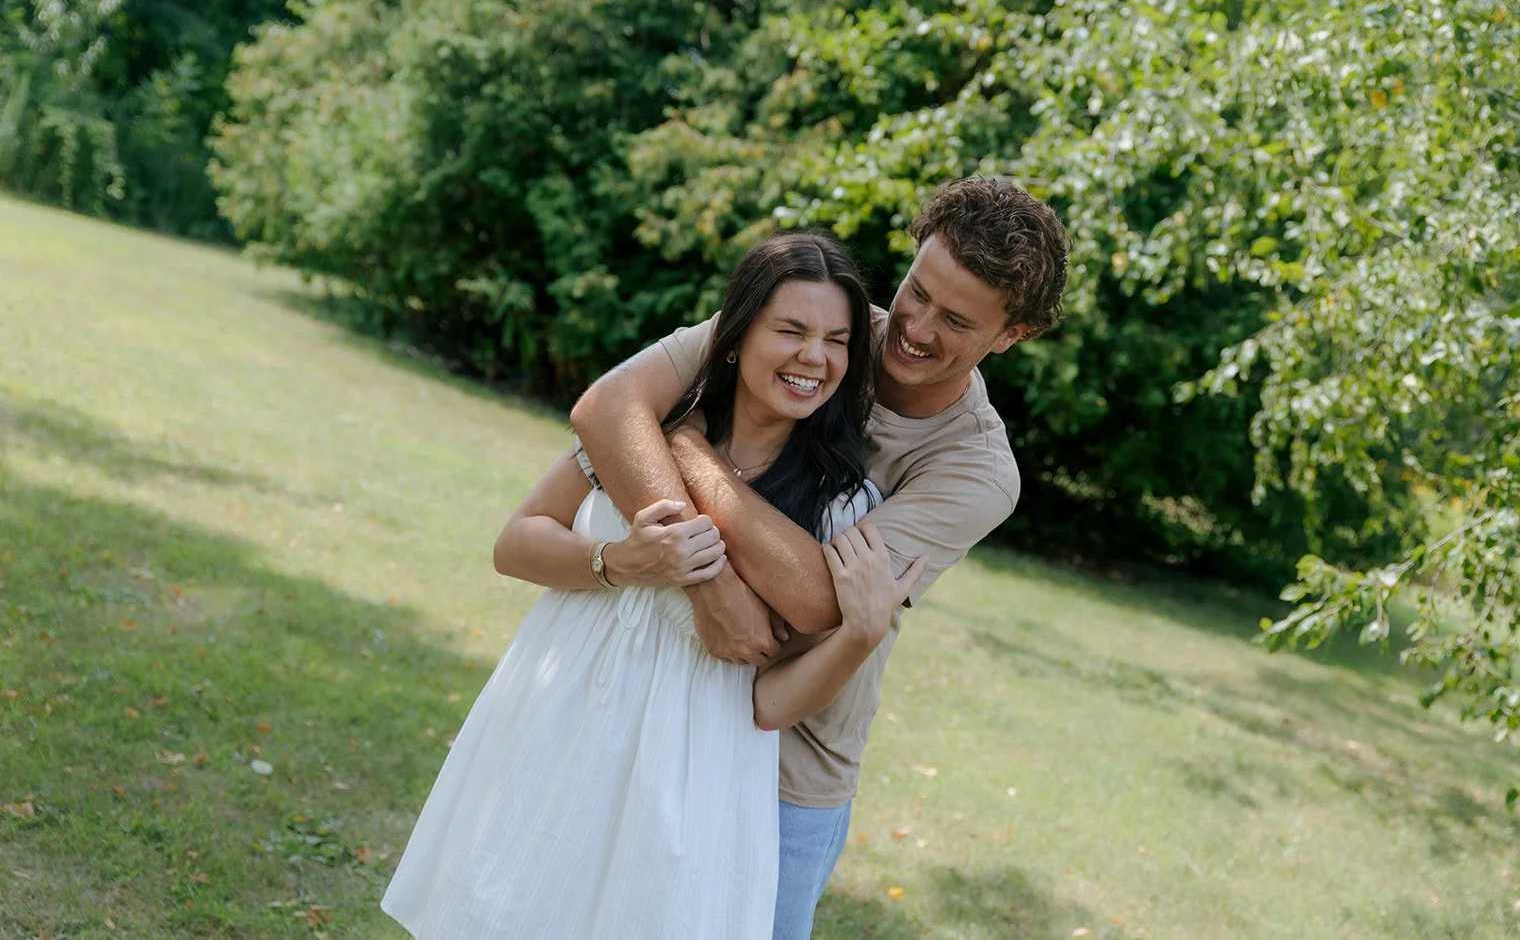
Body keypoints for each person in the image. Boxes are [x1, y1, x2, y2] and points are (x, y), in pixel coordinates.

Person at [381, 234, 923, 939]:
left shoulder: (839, 507)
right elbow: (515, 542)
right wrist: (619, 560)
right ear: (735, 336)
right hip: (561, 719)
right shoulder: (645, 430)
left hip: (692, 773)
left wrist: (858, 636)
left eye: (837, 339)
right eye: (790, 330)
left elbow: (768, 700)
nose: (813, 357)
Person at [571, 176, 1070, 938]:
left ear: (1012, 335)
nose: (915, 327)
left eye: (957, 319)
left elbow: (811, 599)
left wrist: (683, 444)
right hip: (660, 703)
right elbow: (608, 408)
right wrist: (709, 582)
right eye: (917, 291)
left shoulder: (975, 470)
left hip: (787, 768)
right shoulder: (815, 318)